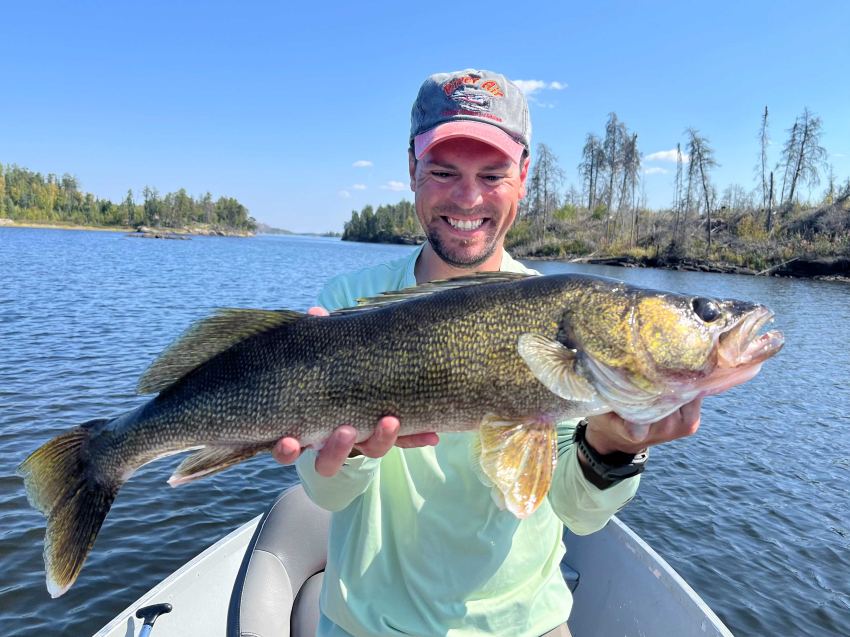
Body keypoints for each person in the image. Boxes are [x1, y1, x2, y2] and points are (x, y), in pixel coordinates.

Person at [272, 69, 702, 637]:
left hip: (526, 625)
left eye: (492, 174)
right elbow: (326, 491)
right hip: (366, 625)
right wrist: (346, 455)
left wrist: (612, 448)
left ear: (524, 176)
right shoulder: (350, 305)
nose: (467, 198)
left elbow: (578, 513)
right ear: (411, 171)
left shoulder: (569, 324)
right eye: (444, 172)